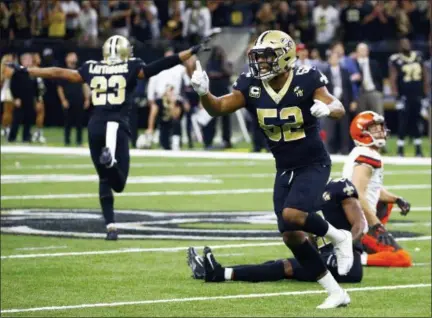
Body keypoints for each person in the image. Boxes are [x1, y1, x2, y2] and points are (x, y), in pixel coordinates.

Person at [190, 30, 352, 309]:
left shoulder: (306, 78)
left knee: (294, 214)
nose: (261, 63)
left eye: (267, 57)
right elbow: (218, 108)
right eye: (258, 57)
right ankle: (336, 292)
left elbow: (336, 106)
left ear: (285, 57)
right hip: (285, 168)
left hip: (314, 163)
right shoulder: (251, 84)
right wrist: (204, 93)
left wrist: (328, 110)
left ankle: (339, 235)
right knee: (290, 235)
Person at [7, 35, 211, 240]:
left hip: (95, 126)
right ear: (123, 52)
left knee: (104, 178)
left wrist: (27, 70)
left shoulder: (91, 67)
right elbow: (160, 65)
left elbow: (58, 73)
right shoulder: (131, 66)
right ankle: (110, 162)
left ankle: (111, 226)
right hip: (116, 126)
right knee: (118, 181)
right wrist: (190, 52)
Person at [188, 178, 366, 285]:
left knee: (284, 267)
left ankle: (219, 274)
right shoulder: (307, 197)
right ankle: (212, 271)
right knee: (278, 263)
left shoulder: (337, 187)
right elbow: (313, 239)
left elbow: (359, 225)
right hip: (325, 256)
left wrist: (346, 248)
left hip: (347, 265)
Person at [342, 111, 412, 267]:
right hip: (360, 223)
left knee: (387, 203)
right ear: (362, 132)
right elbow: (357, 193)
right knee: (403, 258)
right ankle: (357, 259)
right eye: (374, 128)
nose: (380, 131)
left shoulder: (362, 152)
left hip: (353, 220)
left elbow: (372, 189)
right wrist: (376, 225)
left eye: (381, 127)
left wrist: (396, 199)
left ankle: (365, 246)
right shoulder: (368, 156)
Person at [389, 38, 429, 157]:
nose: (405, 45)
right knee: (403, 122)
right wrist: (396, 96)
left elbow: (425, 75)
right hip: (404, 95)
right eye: (403, 44)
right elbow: (393, 78)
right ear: (399, 46)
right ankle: (400, 149)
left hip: (417, 94)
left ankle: (418, 149)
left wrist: (425, 94)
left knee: (416, 121)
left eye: (407, 43)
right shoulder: (396, 59)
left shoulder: (418, 56)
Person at [57, 52, 90, 146]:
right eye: (71, 56)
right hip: (68, 99)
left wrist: (87, 98)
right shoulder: (63, 71)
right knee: (68, 122)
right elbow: (59, 87)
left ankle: (79, 141)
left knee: (79, 122)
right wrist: (63, 100)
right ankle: (67, 141)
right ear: (67, 58)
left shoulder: (80, 70)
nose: (74, 58)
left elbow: (85, 85)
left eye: (75, 56)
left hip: (79, 99)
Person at [1, 54, 15, 139]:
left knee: (10, 112)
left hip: (11, 91)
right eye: (8, 60)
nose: (11, 62)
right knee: (7, 112)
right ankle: (5, 128)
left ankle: (7, 127)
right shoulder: (5, 70)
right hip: (7, 91)